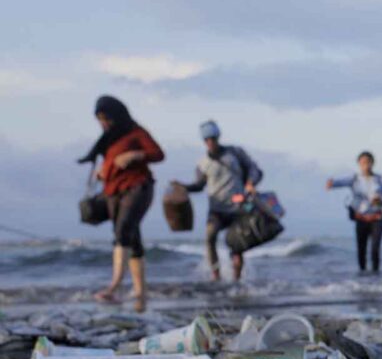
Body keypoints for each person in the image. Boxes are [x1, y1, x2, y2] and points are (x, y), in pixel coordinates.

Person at [78, 96, 164, 312]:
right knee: (132, 239)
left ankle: (114, 286)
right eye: (100, 119)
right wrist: (102, 172)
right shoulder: (108, 139)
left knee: (123, 229)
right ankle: (140, 292)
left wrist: (135, 154)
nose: (103, 123)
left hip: (137, 187)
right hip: (113, 192)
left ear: (116, 115)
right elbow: (109, 163)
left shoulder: (136, 132)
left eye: (106, 118)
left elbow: (158, 153)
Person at [175, 120, 262, 282]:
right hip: (217, 210)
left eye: (213, 139)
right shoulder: (202, 164)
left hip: (238, 208)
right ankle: (216, 277)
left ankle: (237, 279)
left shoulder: (235, 153)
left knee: (237, 245)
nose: (211, 142)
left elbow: (254, 169)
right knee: (210, 237)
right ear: (204, 142)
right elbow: (199, 185)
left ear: (218, 137)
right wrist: (183, 187)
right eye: (207, 140)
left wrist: (250, 183)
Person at [326, 151, 382, 272]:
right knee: (361, 250)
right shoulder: (354, 178)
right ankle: (362, 278)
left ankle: (376, 277)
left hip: (377, 217)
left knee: (375, 250)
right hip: (361, 218)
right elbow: (340, 182)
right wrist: (332, 183)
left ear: (372, 163)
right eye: (362, 162)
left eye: (368, 162)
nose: (365, 165)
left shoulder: (380, 179)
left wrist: (381, 200)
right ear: (359, 164)